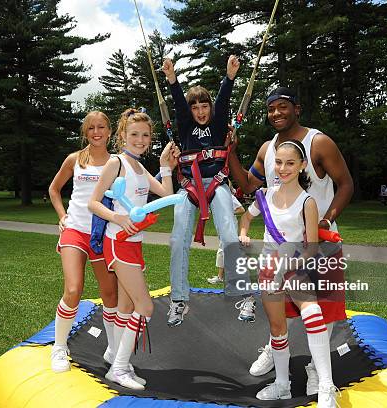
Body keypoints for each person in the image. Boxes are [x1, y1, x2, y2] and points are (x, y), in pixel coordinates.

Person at [228, 87, 353, 399]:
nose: (276, 114)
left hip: (317, 241)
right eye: (271, 109)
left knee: (319, 311)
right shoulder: (267, 149)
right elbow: (248, 186)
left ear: (297, 108)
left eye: (283, 107)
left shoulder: (318, 142)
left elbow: (346, 183)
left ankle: (317, 371)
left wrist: (326, 219)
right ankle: (275, 352)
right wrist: (230, 152)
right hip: (278, 250)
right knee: (278, 309)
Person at [238, 140, 338, 406]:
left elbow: (311, 248)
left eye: (290, 163)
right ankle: (282, 385)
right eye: (279, 162)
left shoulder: (308, 202)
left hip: (295, 267)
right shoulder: (265, 196)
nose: (283, 168)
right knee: (277, 329)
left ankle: (327, 387)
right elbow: (246, 219)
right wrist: (243, 234)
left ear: (302, 165)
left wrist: (288, 268)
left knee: (313, 313)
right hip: (269, 269)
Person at [88, 108, 180, 390]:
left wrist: (166, 166)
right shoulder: (116, 163)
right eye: (134, 134)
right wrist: (118, 217)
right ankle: (117, 368)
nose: (140, 139)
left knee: (127, 307)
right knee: (146, 306)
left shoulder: (139, 167)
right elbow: (94, 202)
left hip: (134, 245)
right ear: (122, 136)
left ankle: (120, 361)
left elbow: (166, 193)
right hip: (117, 243)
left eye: (145, 135)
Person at [161, 55, 252, 325]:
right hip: (189, 187)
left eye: (205, 106)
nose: (200, 112)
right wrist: (171, 79)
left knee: (229, 235)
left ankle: (243, 294)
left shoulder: (216, 122)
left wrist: (230, 76)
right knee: (178, 240)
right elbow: (177, 103)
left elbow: (224, 100)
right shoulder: (186, 125)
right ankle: (179, 300)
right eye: (195, 107)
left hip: (217, 182)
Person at [48, 111, 123, 373]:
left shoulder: (118, 163)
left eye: (101, 126)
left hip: (103, 234)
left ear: (110, 131)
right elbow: (54, 189)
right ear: (85, 132)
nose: (96, 132)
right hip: (76, 231)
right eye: (91, 128)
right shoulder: (75, 159)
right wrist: (62, 216)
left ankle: (113, 348)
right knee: (73, 289)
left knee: (110, 294)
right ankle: (59, 347)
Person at [207, 187, 245, 285]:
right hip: (221, 226)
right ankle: (222, 277)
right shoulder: (213, 198)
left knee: (227, 251)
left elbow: (241, 209)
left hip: (229, 226)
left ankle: (234, 277)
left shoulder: (229, 197)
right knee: (223, 251)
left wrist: (227, 213)